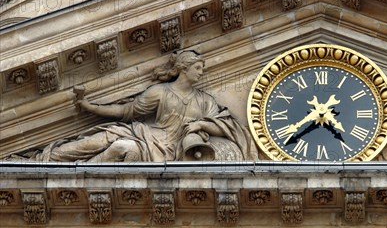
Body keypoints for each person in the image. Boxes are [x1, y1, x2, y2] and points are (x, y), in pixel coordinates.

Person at [31, 50, 257, 162]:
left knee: (123, 148)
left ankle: (77, 175)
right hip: (147, 136)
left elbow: (223, 126)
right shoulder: (160, 92)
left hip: (170, 150)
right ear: (184, 68)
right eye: (198, 67)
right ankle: (48, 160)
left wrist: (200, 126)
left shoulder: (205, 100)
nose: (201, 72)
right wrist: (90, 106)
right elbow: (126, 111)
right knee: (98, 141)